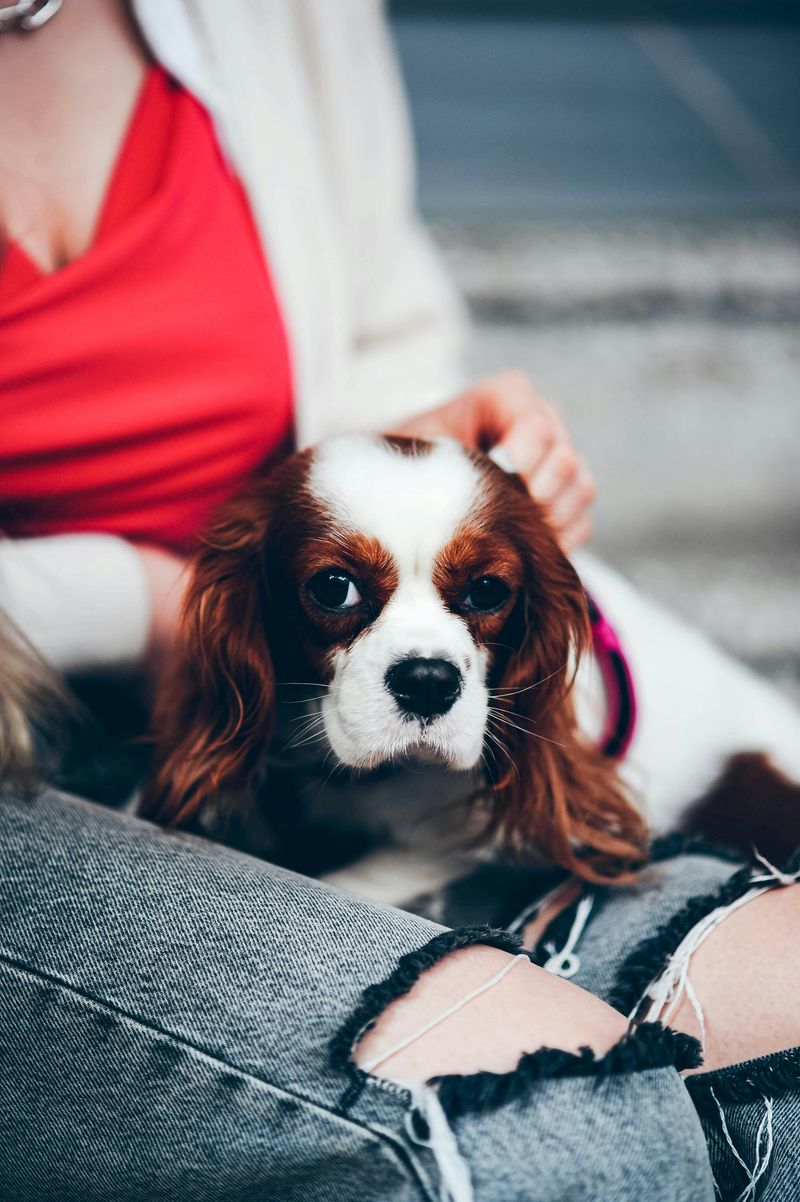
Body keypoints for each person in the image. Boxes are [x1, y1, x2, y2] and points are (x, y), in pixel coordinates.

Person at [0, 4, 798, 1200]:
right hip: (78, 736)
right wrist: (135, 596)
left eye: (475, 597)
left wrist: (425, 432)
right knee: (539, 1127)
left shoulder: (282, 16)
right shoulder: (229, 629)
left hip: (429, 772)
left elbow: (381, 343)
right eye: (337, 589)